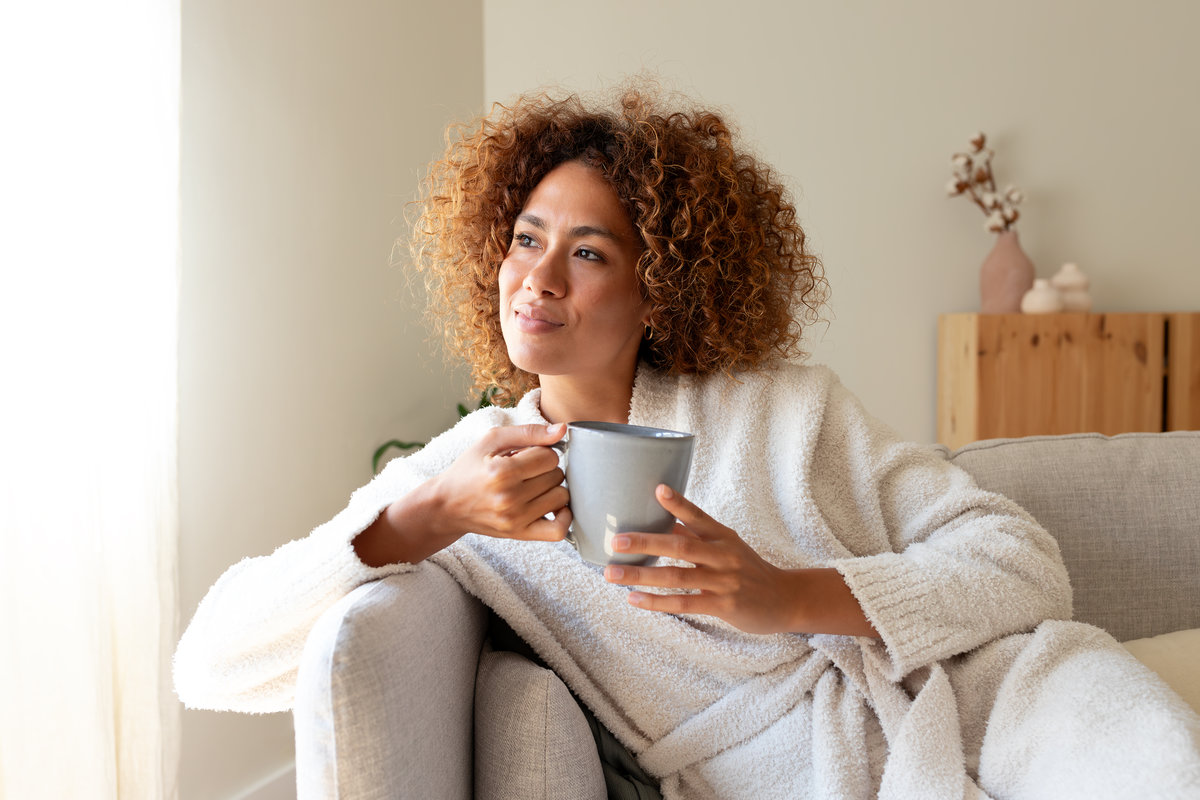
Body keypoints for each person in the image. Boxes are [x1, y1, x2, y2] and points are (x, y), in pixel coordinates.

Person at [174, 86, 1200, 799]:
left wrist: (790, 595)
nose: (539, 279)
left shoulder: (783, 409)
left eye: (587, 253)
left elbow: (1027, 566)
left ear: (658, 285)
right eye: (526, 239)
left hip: (997, 700)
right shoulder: (473, 474)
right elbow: (210, 661)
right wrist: (426, 514)